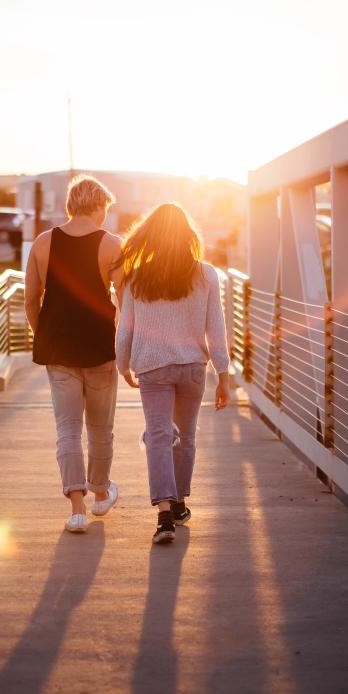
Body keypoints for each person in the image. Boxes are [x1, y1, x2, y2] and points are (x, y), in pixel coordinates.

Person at [115, 203, 230, 544]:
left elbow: (125, 331)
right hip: (194, 368)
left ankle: (164, 513)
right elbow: (217, 329)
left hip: (153, 368)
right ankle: (179, 502)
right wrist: (223, 373)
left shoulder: (136, 277)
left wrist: (123, 366)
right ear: (187, 234)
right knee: (187, 436)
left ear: (149, 236)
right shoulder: (206, 274)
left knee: (160, 436)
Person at [24, 175, 124, 533]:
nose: (105, 217)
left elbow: (30, 300)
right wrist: (126, 350)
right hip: (101, 347)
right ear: (98, 205)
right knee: (101, 428)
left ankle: (77, 510)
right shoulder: (112, 245)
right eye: (105, 209)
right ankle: (101, 495)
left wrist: (45, 336)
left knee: (67, 430)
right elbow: (125, 305)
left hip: (59, 348)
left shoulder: (43, 243)